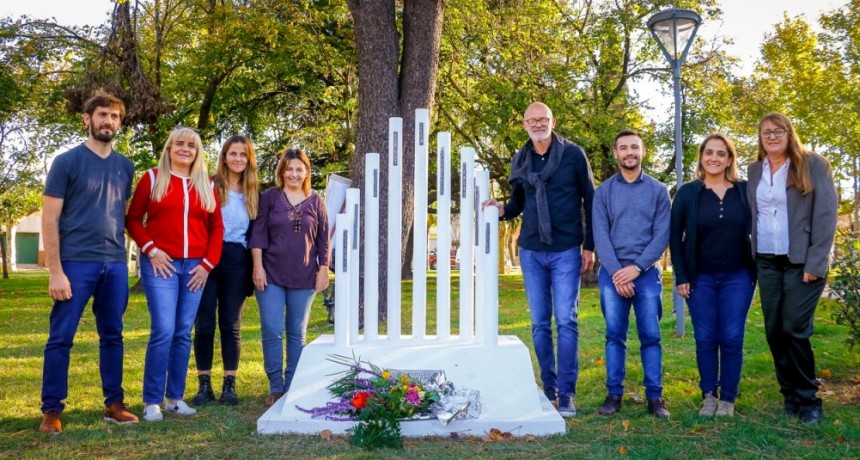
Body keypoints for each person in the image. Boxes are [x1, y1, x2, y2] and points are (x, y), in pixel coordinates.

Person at [483, 102, 595, 418]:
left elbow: (590, 198)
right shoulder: (520, 160)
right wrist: (502, 208)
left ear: (552, 120)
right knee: (539, 323)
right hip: (531, 250)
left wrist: (590, 245)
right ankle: (549, 390)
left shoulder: (573, 154)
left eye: (542, 119)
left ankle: (568, 394)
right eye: (531, 120)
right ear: (524, 125)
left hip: (566, 249)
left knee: (567, 319)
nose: (537, 124)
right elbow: (518, 202)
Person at [39, 91, 138, 433]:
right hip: (75, 263)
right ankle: (51, 411)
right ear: (87, 119)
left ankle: (114, 404)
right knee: (61, 337)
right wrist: (55, 271)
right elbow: (49, 219)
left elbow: (118, 215)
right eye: (102, 115)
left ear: (119, 123)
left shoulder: (126, 166)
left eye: (114, 117)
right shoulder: (66, 162)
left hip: (113, 265)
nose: (108, 121)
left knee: (113, 335)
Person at [126, 127, 224, 422]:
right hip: (161, 264)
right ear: (169, 149)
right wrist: (151, 249)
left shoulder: (207, 184)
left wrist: (207, 264)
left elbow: (217, 228)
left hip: (195, 266)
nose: (184, 149)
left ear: (198, 152)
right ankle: (151, 401)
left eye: (191, 145)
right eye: (179, 144)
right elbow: (132, 218)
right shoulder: (152, 178)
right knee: (164, 330)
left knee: (183, 332)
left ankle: (175, 398)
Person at [748, 112, 837, 424]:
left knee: (794, 328)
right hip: (767, 261)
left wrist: (816, 261)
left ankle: (808, 399)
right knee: (774, 330)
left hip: (802, 262)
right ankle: (788, 394)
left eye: (778, 131)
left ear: (789, 133)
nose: (772, 136)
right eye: (766, 132)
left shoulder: (812, 164)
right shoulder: (755, 170)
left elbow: (826, 215)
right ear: (760, 138)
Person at [670, 134, 756, 417]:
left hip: (738, 276)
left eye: (721, 153)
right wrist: (681, 275)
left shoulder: (744, 190)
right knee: (705, 337)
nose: (714, 158)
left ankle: (728, 398)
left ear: (730, 159)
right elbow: (675, 236)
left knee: (731, 336)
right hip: (700, 277)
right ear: (701, 157)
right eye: (709, 152)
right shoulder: (687, 193)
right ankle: (709, 395)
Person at [592, 129, 671, 418]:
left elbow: (662, 235)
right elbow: (600, 235)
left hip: (646, 273)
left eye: (634, 147)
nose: (629, 152)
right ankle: (614, 394)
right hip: (612, 275)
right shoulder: (603, 192)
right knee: (615, 336)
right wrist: (618, 273)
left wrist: (636, 269)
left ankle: (655, 397)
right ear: (616, 153)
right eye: (623, 147)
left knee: (650, 335)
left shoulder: (659, 191)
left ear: (643, 151)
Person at [250, 148, 329, 407]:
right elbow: (258, 234)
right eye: (289, 168)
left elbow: (323, 240)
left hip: (304, 276)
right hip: (270, 274)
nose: (294, 174)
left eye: (299, 169)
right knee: (272, 329)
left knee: (297, 332)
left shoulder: (316, 200)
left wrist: (323, 269)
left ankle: (292, 384)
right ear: (282, 171)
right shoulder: (270, 197)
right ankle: (275, 386)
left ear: (307, 172)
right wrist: (257, 267)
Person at [191, 136, 259, 406]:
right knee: (204, 324)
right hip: (207, 258)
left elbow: (256, 234)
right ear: (224, 156)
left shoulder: (254, 192)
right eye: (233, 153)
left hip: (237, 259)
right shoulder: (209, 185)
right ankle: (204, 383)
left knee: (231, 324)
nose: (238, 159)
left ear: (249, 159)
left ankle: (229, 384)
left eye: (243, 154)